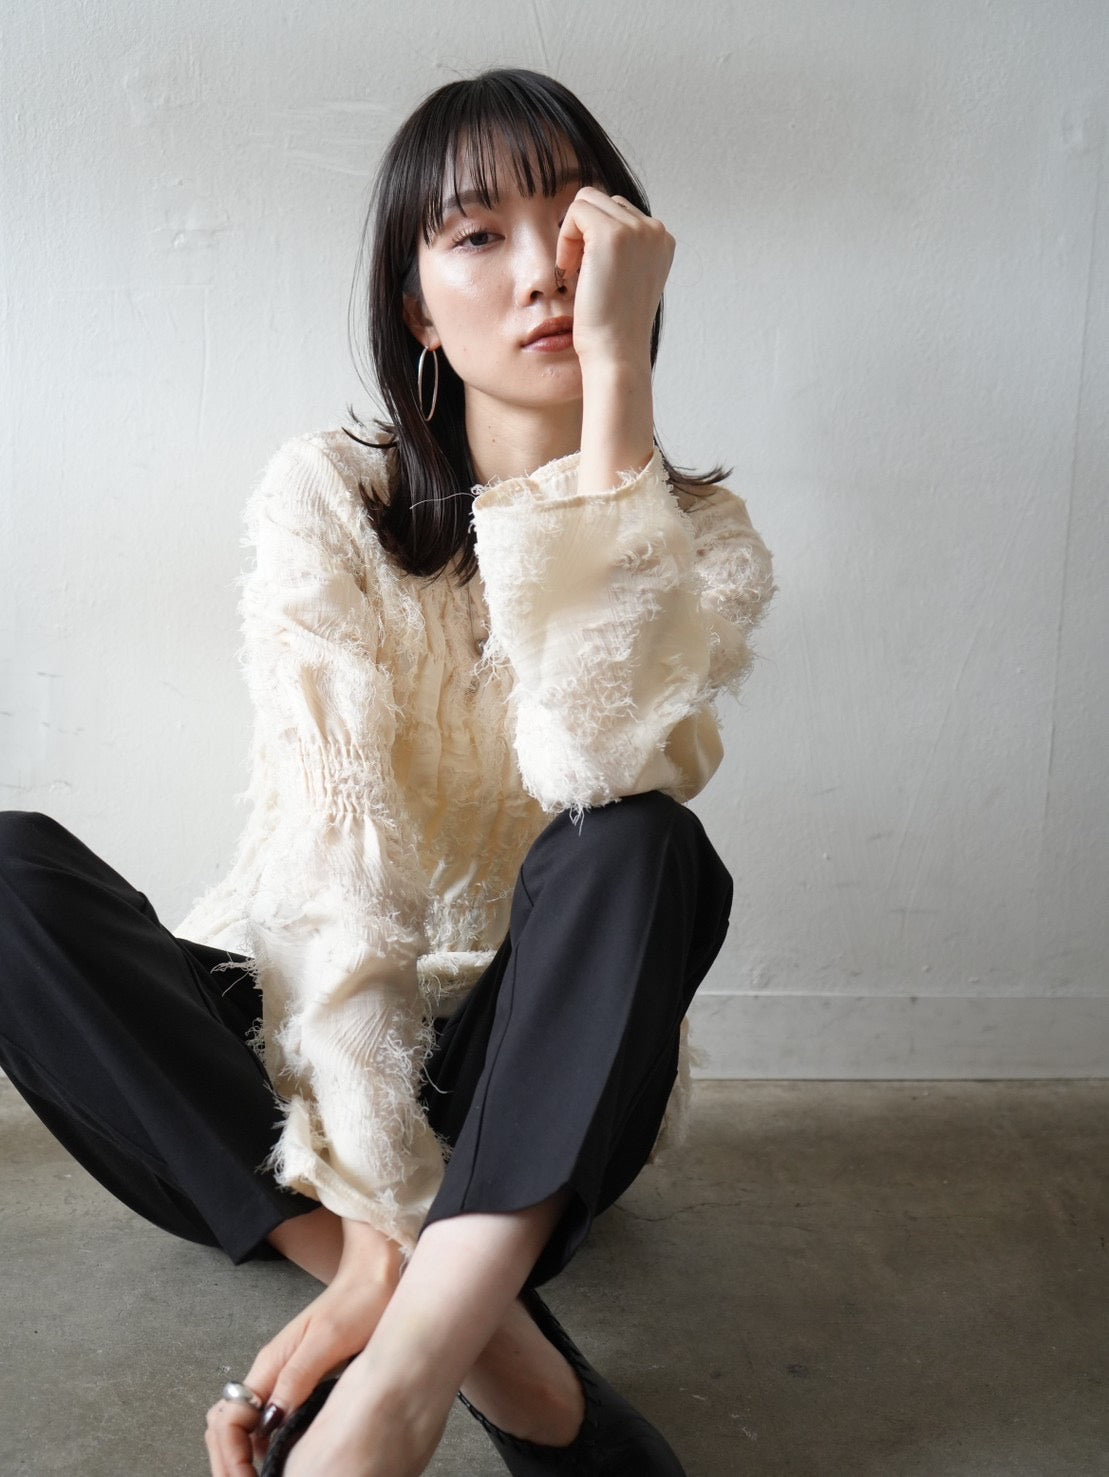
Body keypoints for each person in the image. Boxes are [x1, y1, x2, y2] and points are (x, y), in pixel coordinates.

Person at [0, 66, 776, 1477]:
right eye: (478, 234)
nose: (543, 270)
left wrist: (618, 386)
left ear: (631, 254)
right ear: (417, 308)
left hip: (540, 1088)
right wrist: (371, 1232)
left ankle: (401, 1380)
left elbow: (596, 755)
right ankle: (473, 1335)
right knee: (5, 875)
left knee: (639, 841)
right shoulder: (329, 495)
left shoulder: (704, 540)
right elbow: (331, 871)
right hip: (293, 1075)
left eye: (574, 225)